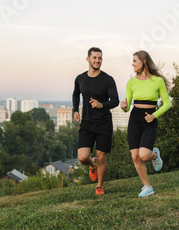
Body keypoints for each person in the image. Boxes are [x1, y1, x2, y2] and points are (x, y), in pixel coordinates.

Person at [120, 50, 170, 197]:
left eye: (135, 60)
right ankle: (147, 186)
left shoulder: (157, 81)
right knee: (135, 156)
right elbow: (127, 106)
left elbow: (167, 104)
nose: (132, 64)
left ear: (144, 62)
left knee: (144, 155)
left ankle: (154, 155)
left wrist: (154, 115)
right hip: (135, 118)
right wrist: (124, 107)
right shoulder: (131, 83)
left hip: (150, 119)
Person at [73, 47, 119, 195]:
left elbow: (115, 101)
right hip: (86, 123)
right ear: (88, 59)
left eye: (99, 58)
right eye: (94, 58)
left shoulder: (108, 79)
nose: (97, 60)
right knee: (83, 157)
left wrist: (101, 105)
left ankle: (99, 186)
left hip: (104, 123)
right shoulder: (80, 78)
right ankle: (92, 166)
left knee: (102, 157)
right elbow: (75, 94)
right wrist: (75, 109)